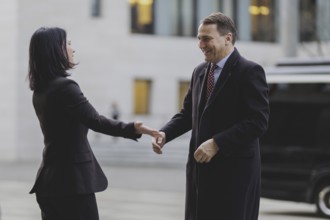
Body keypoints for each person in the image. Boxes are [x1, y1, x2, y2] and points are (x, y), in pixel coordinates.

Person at [27, 27, 159, 220]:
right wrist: (133, 128)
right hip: (72, 183)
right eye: (68, 44)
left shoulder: (40, 91)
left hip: (49, 181)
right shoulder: (66, 87)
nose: (73, 49)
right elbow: (96, 121)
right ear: (56, 50)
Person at [152, 12, 269, 220]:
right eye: (199, 38)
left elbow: (258, 122)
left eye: (206, 38)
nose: (201, 44)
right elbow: (188, 114)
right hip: (201, 175)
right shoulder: (199, 72)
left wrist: (217, 143)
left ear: (227, 38)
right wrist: (165, 133)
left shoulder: (250, 71)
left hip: (234, 177)